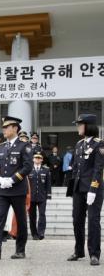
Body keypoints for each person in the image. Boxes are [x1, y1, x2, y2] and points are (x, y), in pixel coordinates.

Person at [0, 116, 33, 260]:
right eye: (4, 127)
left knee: (20, 220)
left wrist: (13, 180)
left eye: (7, 127)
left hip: (17, 190)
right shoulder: (1, 146)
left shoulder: (24, 145)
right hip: (2, 189)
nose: (4, 130)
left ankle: (20, 250)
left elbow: (27, 167)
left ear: (15, 128)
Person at [67, 114, 104, 266]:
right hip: (78, 189)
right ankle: (79, 250)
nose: (78, 127)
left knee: (93, 221)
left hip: (92, 189)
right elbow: (76, 168)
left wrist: (93, 189)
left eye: (80, 124)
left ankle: (94, 254)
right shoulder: (79, 144)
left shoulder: (99, 144)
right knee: (77, 220)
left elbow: (98, 168)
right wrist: (71, 189)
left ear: (88, 126)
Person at [28, 152, 51, 240]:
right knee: (32, 216)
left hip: (42, 196)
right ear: (33, 159)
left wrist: (48, 195)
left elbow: (48, 183)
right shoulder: (29, 169)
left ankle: (41, 233)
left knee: (42, 214)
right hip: (32, 197)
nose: (37, 159)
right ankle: (34, 234)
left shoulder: (46, 170)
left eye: (39, 158)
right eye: (36, 158)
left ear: (42, 159)